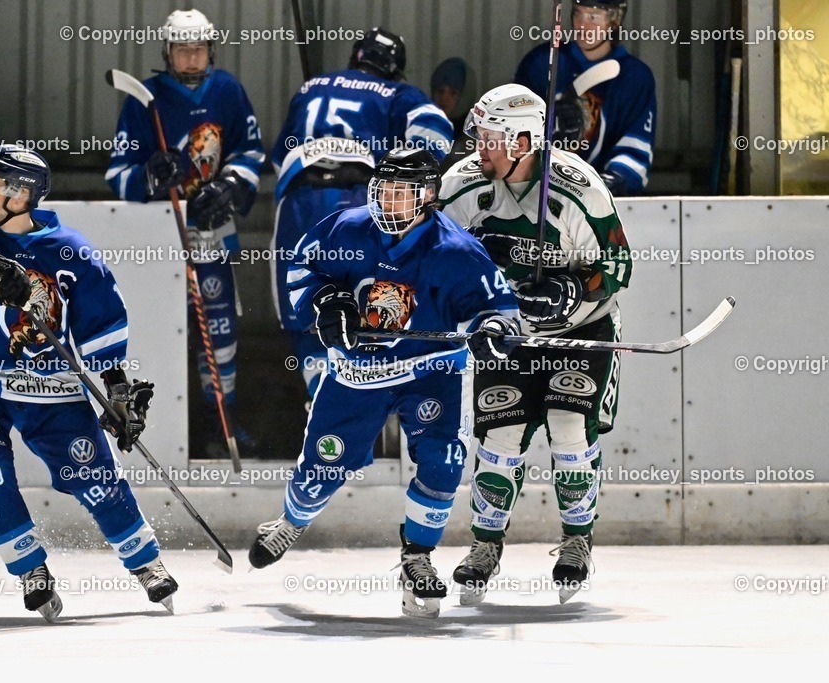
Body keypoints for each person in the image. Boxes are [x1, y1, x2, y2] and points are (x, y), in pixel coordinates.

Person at [0, 145, 179, 620]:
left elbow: (100, 326)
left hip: (47, 388)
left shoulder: (69, 250)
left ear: (21, 193)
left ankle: (145, 563)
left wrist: (116, 389)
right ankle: (32, 570)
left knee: (93, 475)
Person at [248, 148, 519, 618]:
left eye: (401, 193)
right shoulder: (347, 228)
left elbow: (500, 313)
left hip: (429, 372)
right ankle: (293, 519)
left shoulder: (457, 251)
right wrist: (327, 300)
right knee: (321, 469)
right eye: (384, 190)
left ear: (429, 196)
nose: (388, 202)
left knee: (444, 462)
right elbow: (301, 268)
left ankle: (417, 557)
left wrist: (492, 331)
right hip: (357, 373)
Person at [439, 84, 633, 604]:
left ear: (524, 140)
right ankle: (485, 546)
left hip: (579, 332)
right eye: (478, 135)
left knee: (569, 431)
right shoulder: (461, 186)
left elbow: (618, 267)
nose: (480, 147)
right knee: (500, 438)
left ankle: (576, 541)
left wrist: (571, 290)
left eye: (491, 138)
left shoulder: (579, 187)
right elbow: (435, 260)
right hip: (510, 335)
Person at [106, 9, 264, 456]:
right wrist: (150, 176)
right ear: (167, 52)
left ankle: (222, 419)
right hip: (161, 241)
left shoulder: (228, 91)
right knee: (160, 330)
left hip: (212, 235)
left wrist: (231, 185)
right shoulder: (145, 99)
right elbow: (117, 173)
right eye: (182, 49)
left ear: (210, 50)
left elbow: (250, 151)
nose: (191, 58)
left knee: (219, 328)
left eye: (198, 49)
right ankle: (165, 426)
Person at [271, 27, 453, 397]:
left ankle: (320, 400)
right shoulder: (395, 92)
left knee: (301, 305)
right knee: (371, 304)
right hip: (355, 199)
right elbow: (437, 131)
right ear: (394, 68)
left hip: (298, 198)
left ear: (356, 57)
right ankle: (363, 400)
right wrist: (410, 178)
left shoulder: (311, 87)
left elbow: (278, 158)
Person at [514, 0, 656, 196]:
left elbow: (635, 153)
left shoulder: (635, 77)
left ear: (614, 21)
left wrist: (600, 189)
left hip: (604, 205)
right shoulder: (542, 63)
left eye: (592, 17)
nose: (582, 25)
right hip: (539, 197)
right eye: (578, 14)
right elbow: (513, 135)